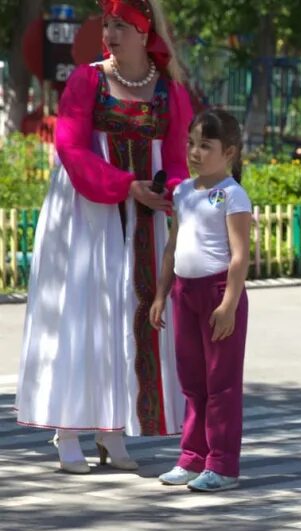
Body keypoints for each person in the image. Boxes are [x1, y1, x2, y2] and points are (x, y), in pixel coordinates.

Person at [17, 0, 191, 472]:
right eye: (108, 25)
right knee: (85, 312)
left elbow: (179, 155)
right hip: (90, 212)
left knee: (129, 318)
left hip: (145, 216)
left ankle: (114, 428)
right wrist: (123, 186)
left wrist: (170, 192)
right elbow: (70, 147)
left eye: (122, 25)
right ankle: (68, 428)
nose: (111, 34)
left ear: (143, 30)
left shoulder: (169, 89)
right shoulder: (86, 80)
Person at [149, 109, 251, 492]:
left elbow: (239, 255)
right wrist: (161, 294)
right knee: (192, 381)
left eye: (204, 146)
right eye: (191, 143)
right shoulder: (183, 192)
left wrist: (228, 303)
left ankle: (223, 465)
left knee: (221, 384)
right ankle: (191, 457)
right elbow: (172, 246)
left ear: (229, 152)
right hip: (184, 293)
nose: (194, 152)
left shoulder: (233, 195)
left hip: (218, 293)